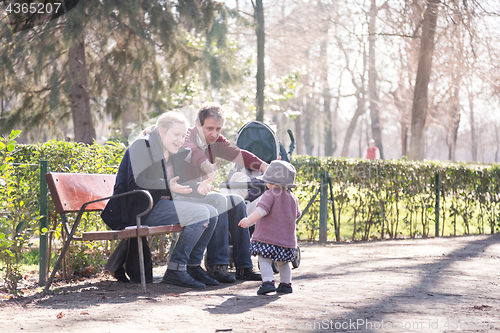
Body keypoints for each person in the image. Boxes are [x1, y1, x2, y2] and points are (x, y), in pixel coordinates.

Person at [101, 111, 220, 289]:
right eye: (176, 135)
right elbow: (135, 183)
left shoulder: (170, 151)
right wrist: (168, 186)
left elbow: (174, 184)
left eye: (182, 135)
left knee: (212, 212)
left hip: (156, 205)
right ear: (162, 131)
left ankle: (192, 266)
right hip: (139, 208)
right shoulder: (142, 146)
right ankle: (176, 269)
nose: (180, 140)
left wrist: (197, 187)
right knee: (202, 213)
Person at [182, 103, 268, 282]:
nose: (214, 133)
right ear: (198, 125)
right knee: (219, 202)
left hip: (201, 192)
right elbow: (195, 153)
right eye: (209, 128)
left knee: (236, 201)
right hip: (184, 192)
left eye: (218, 129)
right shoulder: (187, 138)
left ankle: (244, 266)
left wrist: (264, 166)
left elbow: (239, 154)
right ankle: (217, 266)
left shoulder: (216, 141)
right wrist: (206, 165)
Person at [238, 160, 301, 294]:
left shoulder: (269, 194)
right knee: (283, 263)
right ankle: (286, 284)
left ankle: (268, 282)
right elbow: (297, 215)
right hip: (286, 240)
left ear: (271, 183)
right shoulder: (293, 197)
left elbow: (262, 211)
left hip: (267, 238)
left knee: (264, 259)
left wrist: (248, 220)